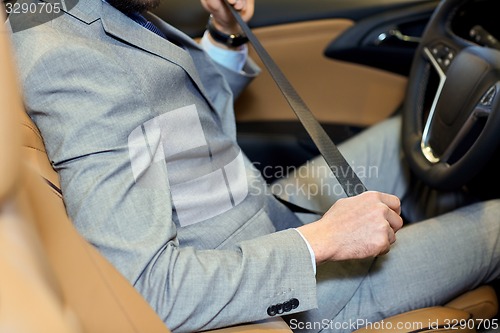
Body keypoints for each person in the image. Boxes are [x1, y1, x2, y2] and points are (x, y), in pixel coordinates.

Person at [7, 0, 500, 332]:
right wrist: (321, 242)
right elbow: (147, 290)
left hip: (257, 209)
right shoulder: (69, 61)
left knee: (406, 139)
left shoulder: (81, 12)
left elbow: (172, 117)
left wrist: (224, 36)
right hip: (287, 291)